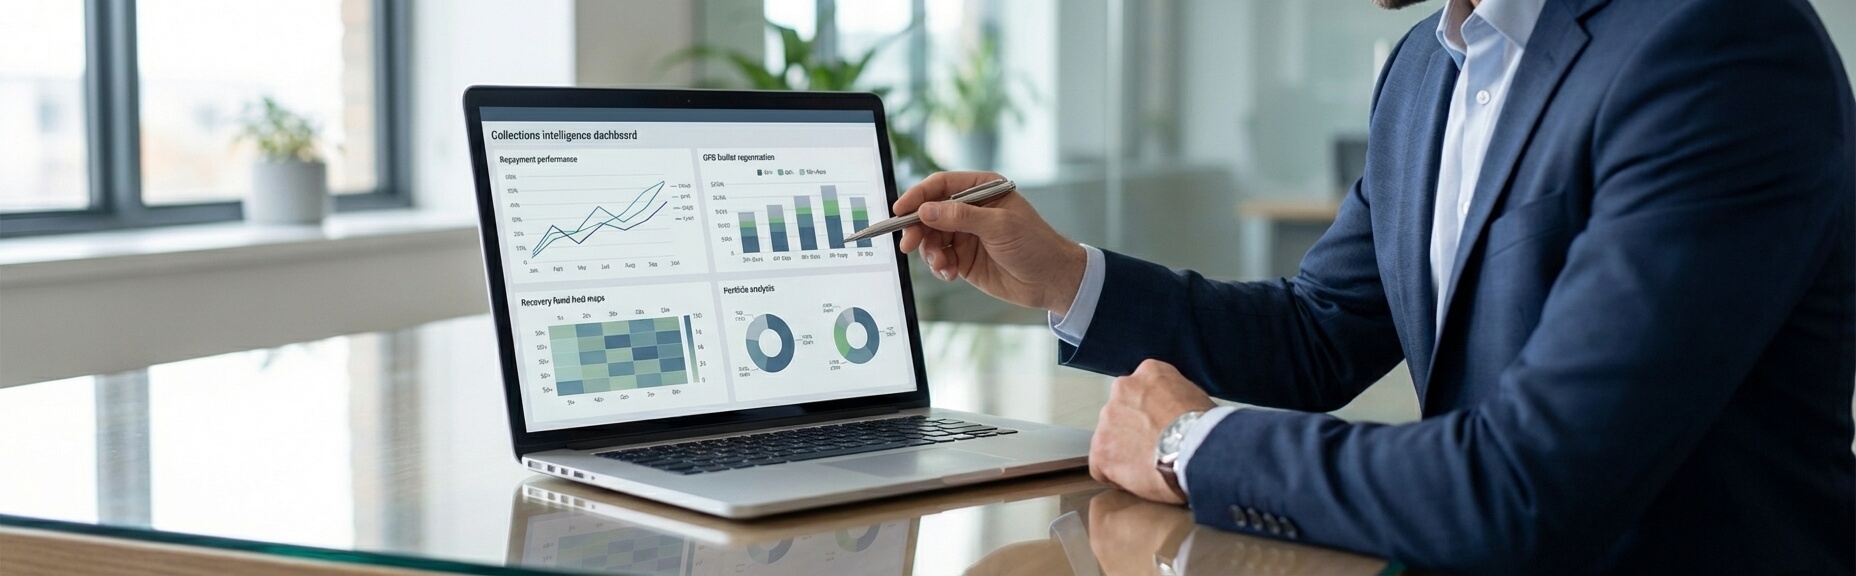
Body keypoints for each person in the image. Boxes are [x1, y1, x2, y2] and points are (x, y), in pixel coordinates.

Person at [892, 0, 1855, 572]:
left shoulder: (1717, 48)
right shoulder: (1426, 73)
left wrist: (1192, 444)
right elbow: (1319, 334)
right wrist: (1064, 274)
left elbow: (1534, 485)